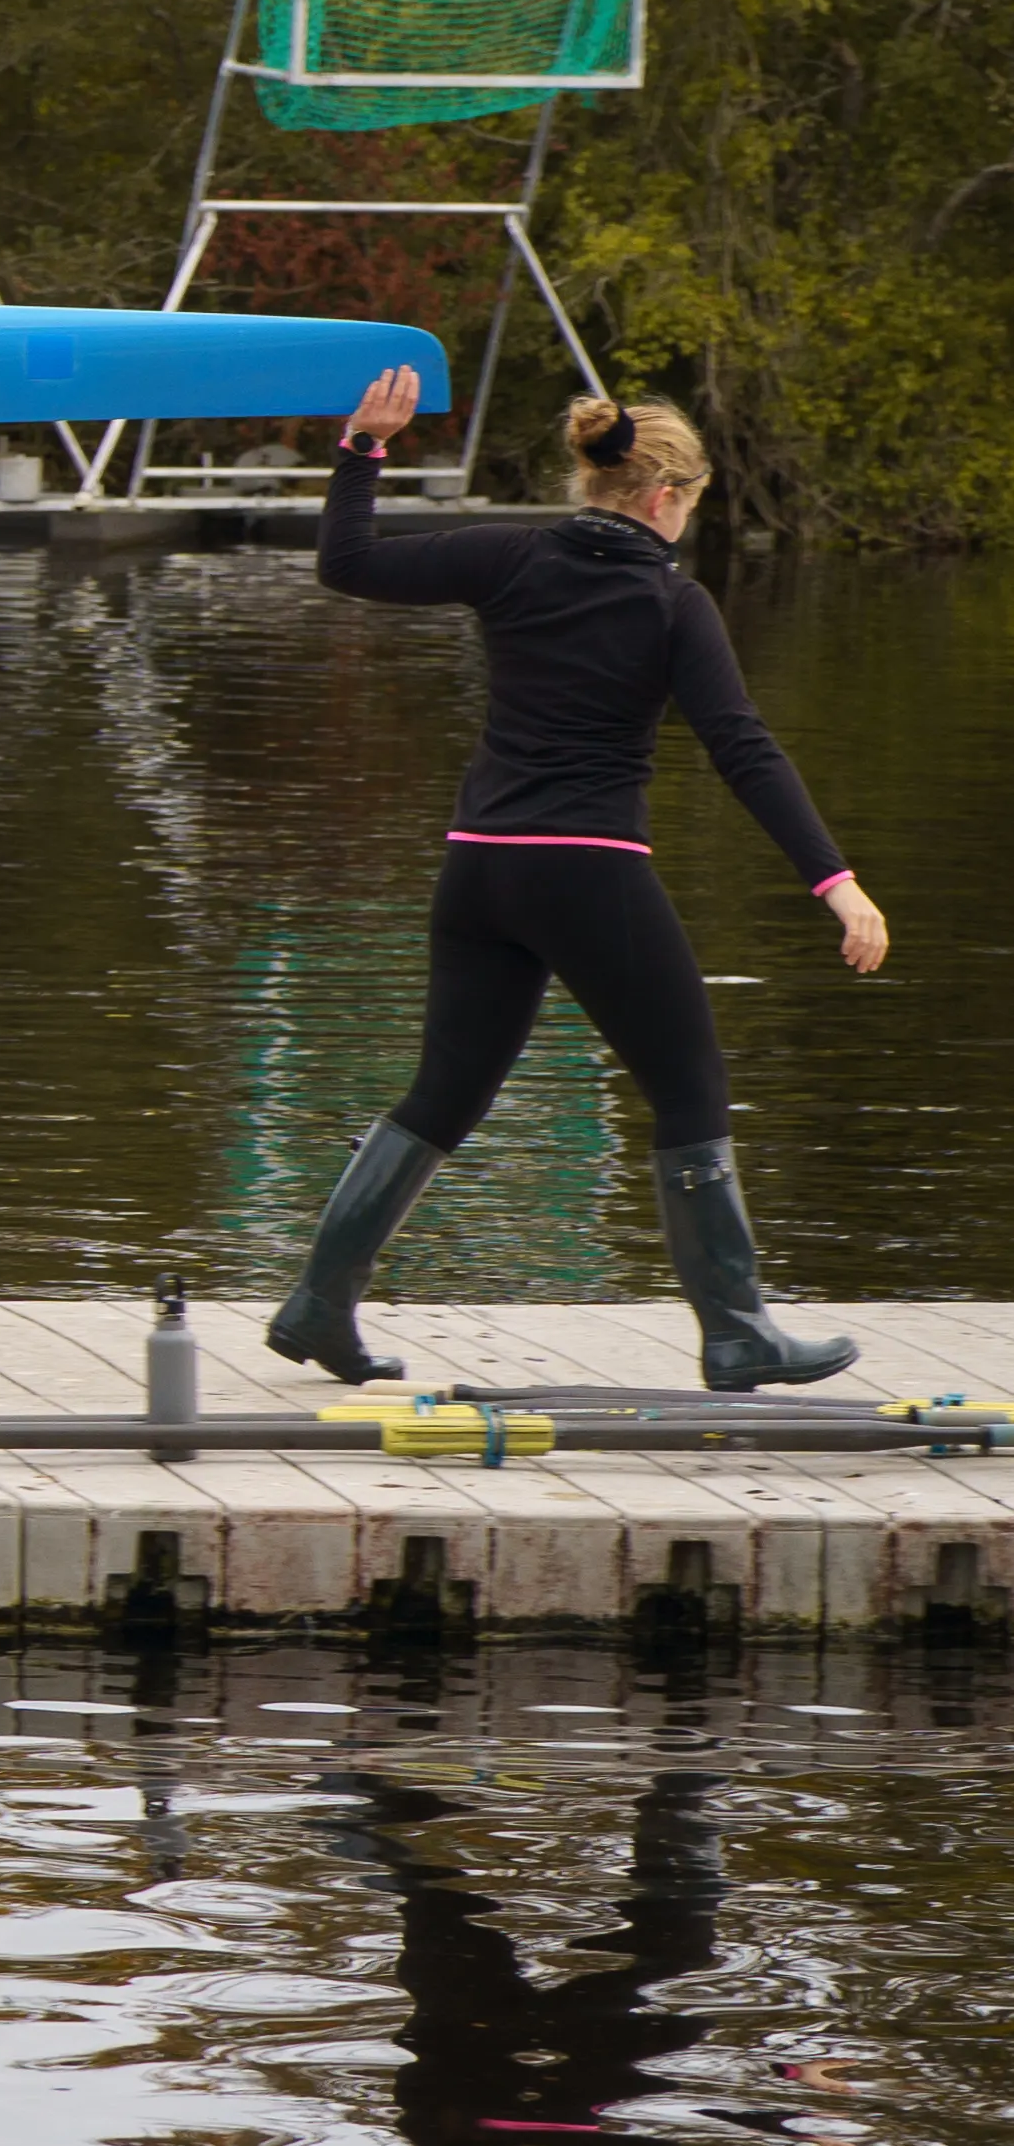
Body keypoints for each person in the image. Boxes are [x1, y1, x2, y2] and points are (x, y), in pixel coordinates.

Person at [262, 372, 890, 1394]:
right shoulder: (670, 599)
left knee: (444, 1091)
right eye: (692, 502)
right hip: (586, 869)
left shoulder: (512, 554)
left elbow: (348, 561)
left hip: (479, 867)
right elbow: (743, 748)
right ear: (664, 498)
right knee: (688, 1088)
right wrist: (837, 882)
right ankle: (735, 1329)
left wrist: (363, 447)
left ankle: (318, 1302)